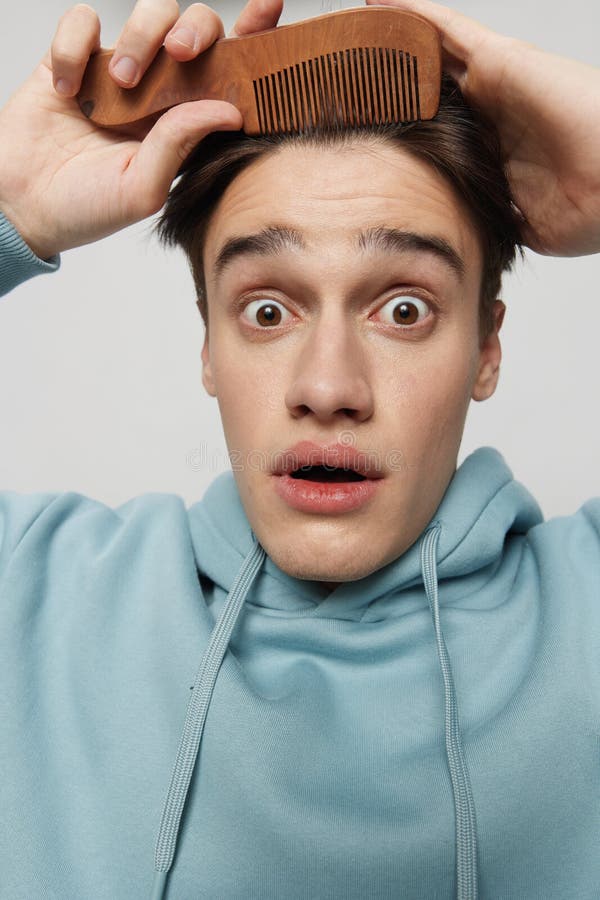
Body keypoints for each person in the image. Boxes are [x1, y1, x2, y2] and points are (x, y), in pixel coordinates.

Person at [1, 0, 599, 898]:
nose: (328, 387)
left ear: (486, 347)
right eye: (268, 311)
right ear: (207, 345)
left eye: (404, 309)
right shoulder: (30, 593)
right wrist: (7, 206)